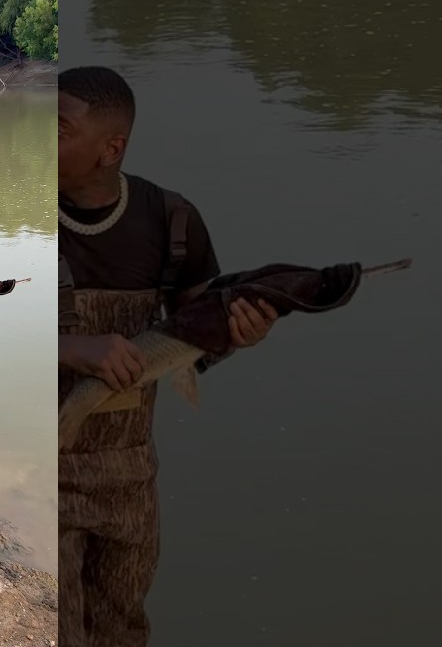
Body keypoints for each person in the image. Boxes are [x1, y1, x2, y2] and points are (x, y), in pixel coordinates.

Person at [57, 66, 279, 646]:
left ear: (111, 148)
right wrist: (71, 348)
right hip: (45, 470)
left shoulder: (173, 221)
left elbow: (198, 337)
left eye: (58, 128)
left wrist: (238, 334)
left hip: (130, 478)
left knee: (122, 629)